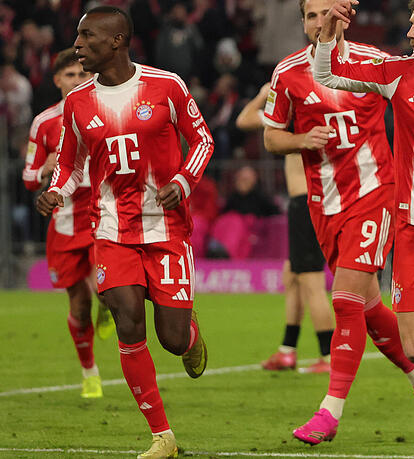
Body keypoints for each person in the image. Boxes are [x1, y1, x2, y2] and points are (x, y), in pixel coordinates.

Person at [36, 6, 214, 458]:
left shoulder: (166, 85)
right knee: (127, 321)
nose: (77, 45)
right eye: (77, 37)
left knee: (171, 339)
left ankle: (190, 338)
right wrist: (56, 192)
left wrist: (182, 181)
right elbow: (71, 165)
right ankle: (162, 436)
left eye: (86, 36)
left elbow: (203, 140)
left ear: (116, 41)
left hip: (167, 229)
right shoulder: (77, 101)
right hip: (112, 229)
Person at [313, 0, 414, 455]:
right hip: (412, 229)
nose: (411, 31)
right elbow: (329, 74)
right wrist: (328, 34)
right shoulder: (397, 74)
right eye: (410, 23)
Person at [262, 0, 414, 446]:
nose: (319, 23)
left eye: (325, 14)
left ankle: (329, 412)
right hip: (323, 205)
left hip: (375, 194)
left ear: (344, 17)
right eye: (311, 16)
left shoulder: (373, 63)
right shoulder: (288, 73)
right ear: (303, 22)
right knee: (368, 308)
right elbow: (271, 136)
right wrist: (299, 139)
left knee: (346, 299)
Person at [22, 47, 115, 399]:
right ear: (58, 80)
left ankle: (106, 306)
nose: (79, 79)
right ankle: (89, 371)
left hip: (100, 214)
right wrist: (47, 169)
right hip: (63, 223)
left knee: (103, 287)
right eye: (71, 75)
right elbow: (29, 177)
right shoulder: (44, 123)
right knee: (77, 306)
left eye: (83, 73)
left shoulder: (104, 111)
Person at [236, 83, 334, 374]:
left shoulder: (292, 118)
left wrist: (263, 93)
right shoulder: (319, 116)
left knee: (311, 281)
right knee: (292, 275)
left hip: (305, 203)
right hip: (315, 201)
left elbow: (243, 119)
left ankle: (328, 357)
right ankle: (287, 351)